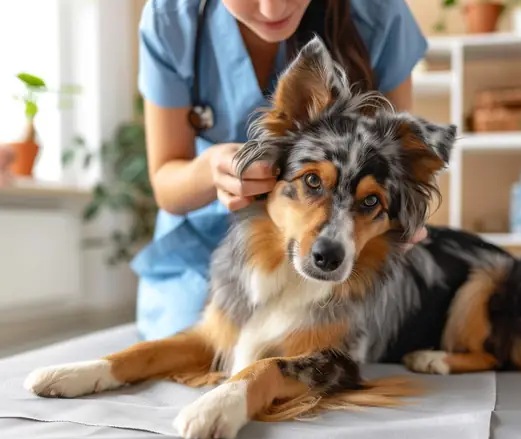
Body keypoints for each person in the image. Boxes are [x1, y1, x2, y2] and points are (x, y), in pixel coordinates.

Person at [132, 0, 431, 341]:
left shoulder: (380, 13)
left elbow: (399, 163)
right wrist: (209, 169)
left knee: (323, 352)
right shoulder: (172, 18)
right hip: (200, 246)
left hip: (335, 249)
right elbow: (166, 183)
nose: (272, 11)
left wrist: (403, 219)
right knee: (202, 345)